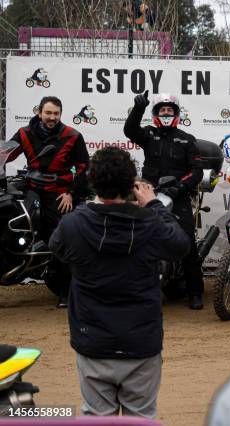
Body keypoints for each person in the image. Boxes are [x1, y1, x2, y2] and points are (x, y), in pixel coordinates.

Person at [49, 147, 190, 418]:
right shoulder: (150, 222)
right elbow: (180, 245)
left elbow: (59, 248)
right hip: (140, 342)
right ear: (130, 185)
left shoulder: (74, 224)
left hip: (94, 341)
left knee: (97, 418)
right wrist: (153, 203)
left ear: (93, 183)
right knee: (141, 417)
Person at [123, 90, 205, 310]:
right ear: (156, 113)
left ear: (177, 113)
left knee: (187, 243)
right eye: (162, 109)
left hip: (177, 196)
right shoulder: (149, 134)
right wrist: (138, 108)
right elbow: (129, 131)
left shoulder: (187, 139)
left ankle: (195, 292)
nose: (166, 112)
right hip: (149, 194)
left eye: (170, 109)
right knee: (138, 238)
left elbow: (196, 171)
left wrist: (178, 188)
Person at [7, 96, 89, 308]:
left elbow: (83, 168)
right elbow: (6, 154)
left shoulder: (72, 135)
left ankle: (65, 292)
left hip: (58, 192)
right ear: (39, 113)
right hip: (32, 189)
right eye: (48, 113)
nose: (52, 117)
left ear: (60, 114)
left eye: (56, 113)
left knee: (62, 236)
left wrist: (71, 193)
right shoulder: (25, 133)